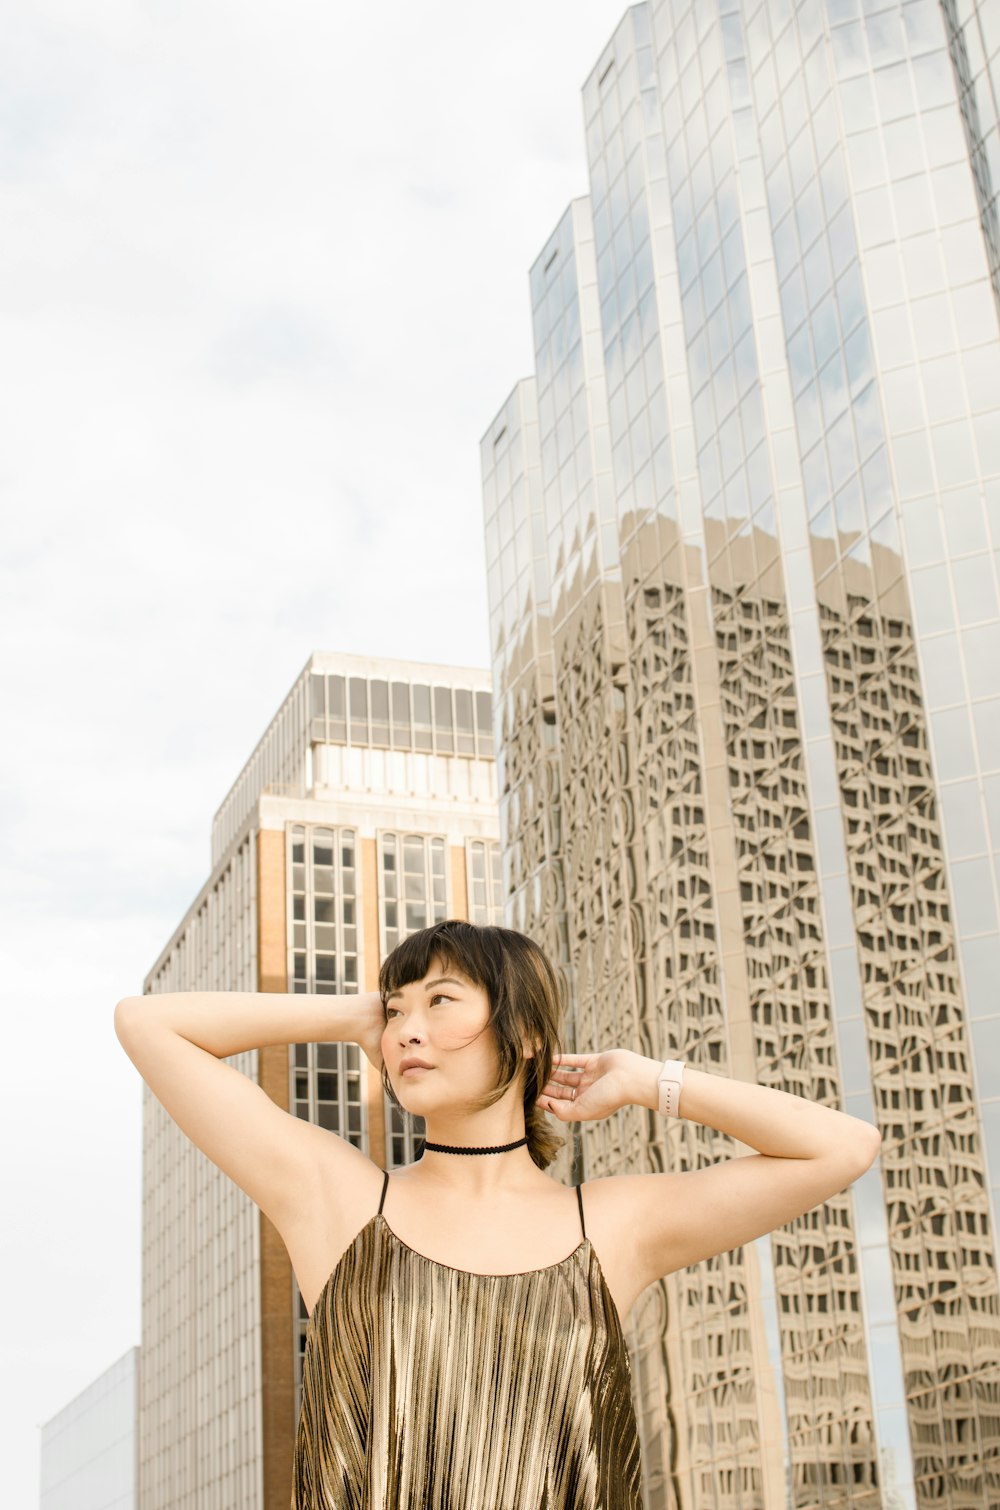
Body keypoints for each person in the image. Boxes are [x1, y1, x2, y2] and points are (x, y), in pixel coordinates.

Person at [115, 917, 881, 1508]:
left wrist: (650, 1081)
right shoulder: (341, 1202)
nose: (408, 1029)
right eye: (397, 1011)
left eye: (441, 1001)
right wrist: (358, 1015)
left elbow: (841, 1147)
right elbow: (146, 1023)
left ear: (523, 1033)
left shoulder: (610, 1226)